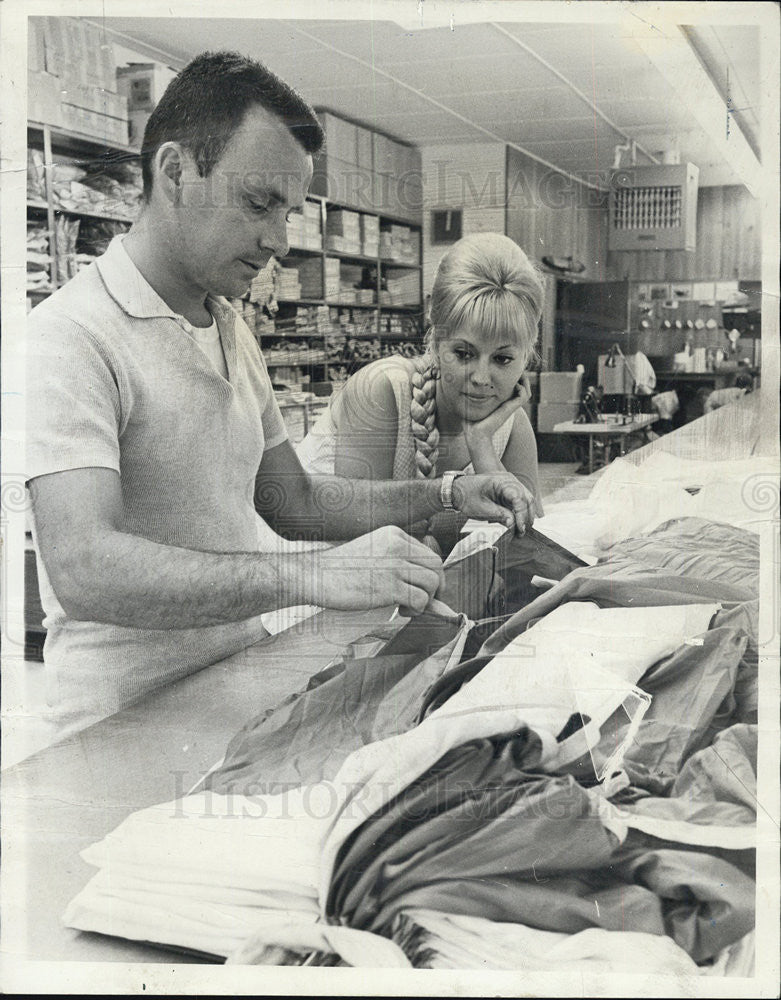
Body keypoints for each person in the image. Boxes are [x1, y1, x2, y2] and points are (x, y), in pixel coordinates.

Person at [25, 52, 534, 731]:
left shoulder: (229, 326)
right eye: (259, 202)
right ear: (175, 173)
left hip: (234, 682)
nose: (280, 240)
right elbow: (84, 568)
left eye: (289, 210)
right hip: (121, 718)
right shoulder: (69, 336)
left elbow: (292, 501)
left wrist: (444, 494)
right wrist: (307, 577)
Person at [296, 233, 544, 551]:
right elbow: (364, 548)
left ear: (527, 357)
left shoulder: (513, 427)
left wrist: (481, 445)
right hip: (303, 585)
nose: (482, 378)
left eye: (502, 359)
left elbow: (527, 552)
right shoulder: (382, 389)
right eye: (464, 354)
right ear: (437, 342)